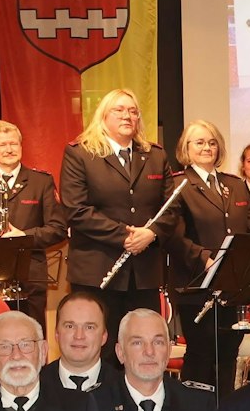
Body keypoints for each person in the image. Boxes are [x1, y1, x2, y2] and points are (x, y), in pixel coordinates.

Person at [59, 87, 187, 324]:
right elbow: (76, 210)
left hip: (144, 274)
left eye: (133, 111)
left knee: (141, 345)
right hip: (97, 272)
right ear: (103, 117)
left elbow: (172, 207)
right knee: (102, 349)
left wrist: (151, 233)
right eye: (119, 110)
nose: (127, 116)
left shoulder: (155, 156)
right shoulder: (81, 154)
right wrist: (125, 236)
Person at [167, 120, 250, 394]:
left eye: (212, 142)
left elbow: (249, 229)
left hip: (231, 285)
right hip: (196, 285)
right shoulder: (178, 185)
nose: (207, 147)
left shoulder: (235, 185)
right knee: (203, 354)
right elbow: (173, 235)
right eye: (199, 142)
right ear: (185, 148)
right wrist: (205, 258)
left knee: (229, 352)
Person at [0, 120, 68, 329]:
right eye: (2, 145)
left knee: (33, 336)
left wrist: (22, 238)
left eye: (14, 144)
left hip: (30, 276)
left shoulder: (41, 181)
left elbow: (58, 228)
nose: (9, 149)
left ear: (21, 145)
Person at [42, 289, 120, 395]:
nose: (79, 336)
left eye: (89, 327)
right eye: (70, 326)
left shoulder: (123, 387)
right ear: (56, 334)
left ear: (104, 336)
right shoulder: (35, 385)